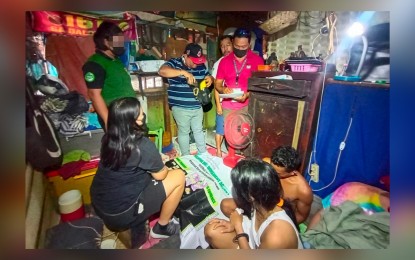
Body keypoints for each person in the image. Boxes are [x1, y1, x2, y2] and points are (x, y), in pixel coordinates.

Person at [90, 97, 185, 247]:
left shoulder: (108, 138)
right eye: (138, 113)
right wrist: (161, 164)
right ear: (129, 121)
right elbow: (160, 175)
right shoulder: (143, 145)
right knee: (178, 176)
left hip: (100, 203)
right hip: (120, 213)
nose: (142, 114)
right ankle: (162, 227)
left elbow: (129, 163)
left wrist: (152, 160)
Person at [204, 158, 303, 249]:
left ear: (250, 196)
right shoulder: (262, 200)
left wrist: (238, 227)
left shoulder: (276, 236)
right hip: (254, 239)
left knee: (213, 232)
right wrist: (233, 224)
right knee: (211, 230)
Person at [221, 146, 313, 225]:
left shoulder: (303, 190)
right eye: (270, 167)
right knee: (226, 205)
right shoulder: (266, 163)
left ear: (292, 173)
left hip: (275, 216)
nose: (270, 172)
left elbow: (301, 216)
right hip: (258, 206)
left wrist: (281, 225)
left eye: (276, 173)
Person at [158, 43, 214, 156]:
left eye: (198, 61)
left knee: (198, 130)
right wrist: (183, 72)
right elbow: (162, 71)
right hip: (181, 108)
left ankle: (203, 153)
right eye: (193, 61)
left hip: (197, 106)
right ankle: (186, 156)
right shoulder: (175, 63)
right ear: (185, 55)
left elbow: (208, 75)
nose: (196, 64)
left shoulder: (200, 65)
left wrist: (210, 78)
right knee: (184, 132)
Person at [82, 21, 136, 130]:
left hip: (128, 114)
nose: (121, 44)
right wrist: (108, 121)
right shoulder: (95, 63)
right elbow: (94, 94)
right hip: (115, 117)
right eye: (117, 41)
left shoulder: (116, 61)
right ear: (106, 42)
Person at [214, 28, 263, 120]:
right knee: (230, 134)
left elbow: (261, 85)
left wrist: (248, 94)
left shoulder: (257, 61)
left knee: (247, 133)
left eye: (244, 46)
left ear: (249, 44)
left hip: (249, 106)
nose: (240, 49)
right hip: (228, 107)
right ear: (232, 42)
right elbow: (217, 84)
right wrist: (223, 89)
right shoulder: (224, 61)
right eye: (237, 46)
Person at [211, 35, 233, 157]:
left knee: (234, 128)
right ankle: (218, 151)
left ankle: (232, 152)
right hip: (223, 103)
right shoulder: (219, 63)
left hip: (237, 103)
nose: (225, 48)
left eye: (227, 45)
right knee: (221, 128)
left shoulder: (238, 61)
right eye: (222, 46)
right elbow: (216, 87)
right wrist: (218, 106)